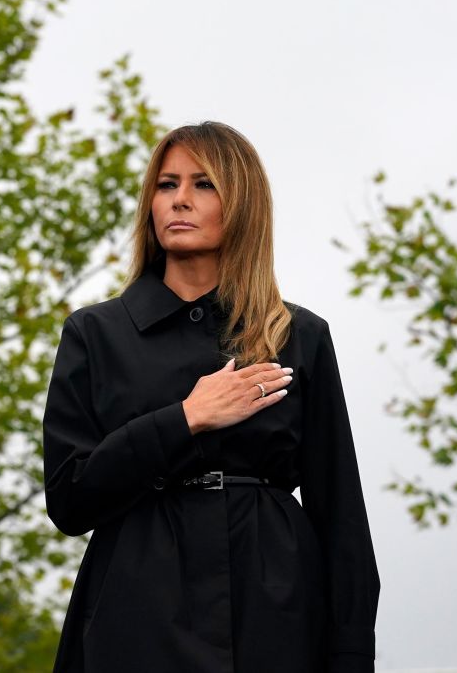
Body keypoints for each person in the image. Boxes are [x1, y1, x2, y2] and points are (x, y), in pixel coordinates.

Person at [42, 122, 380, 672]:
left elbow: (340, 514)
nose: (179, 199)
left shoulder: (299, 335)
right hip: (138, 608)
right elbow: (69, 499)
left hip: (276, 608)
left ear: (241, 202)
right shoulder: (96, 332)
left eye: (204, 184)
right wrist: (185, 420)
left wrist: (350, 654)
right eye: (166, 184)